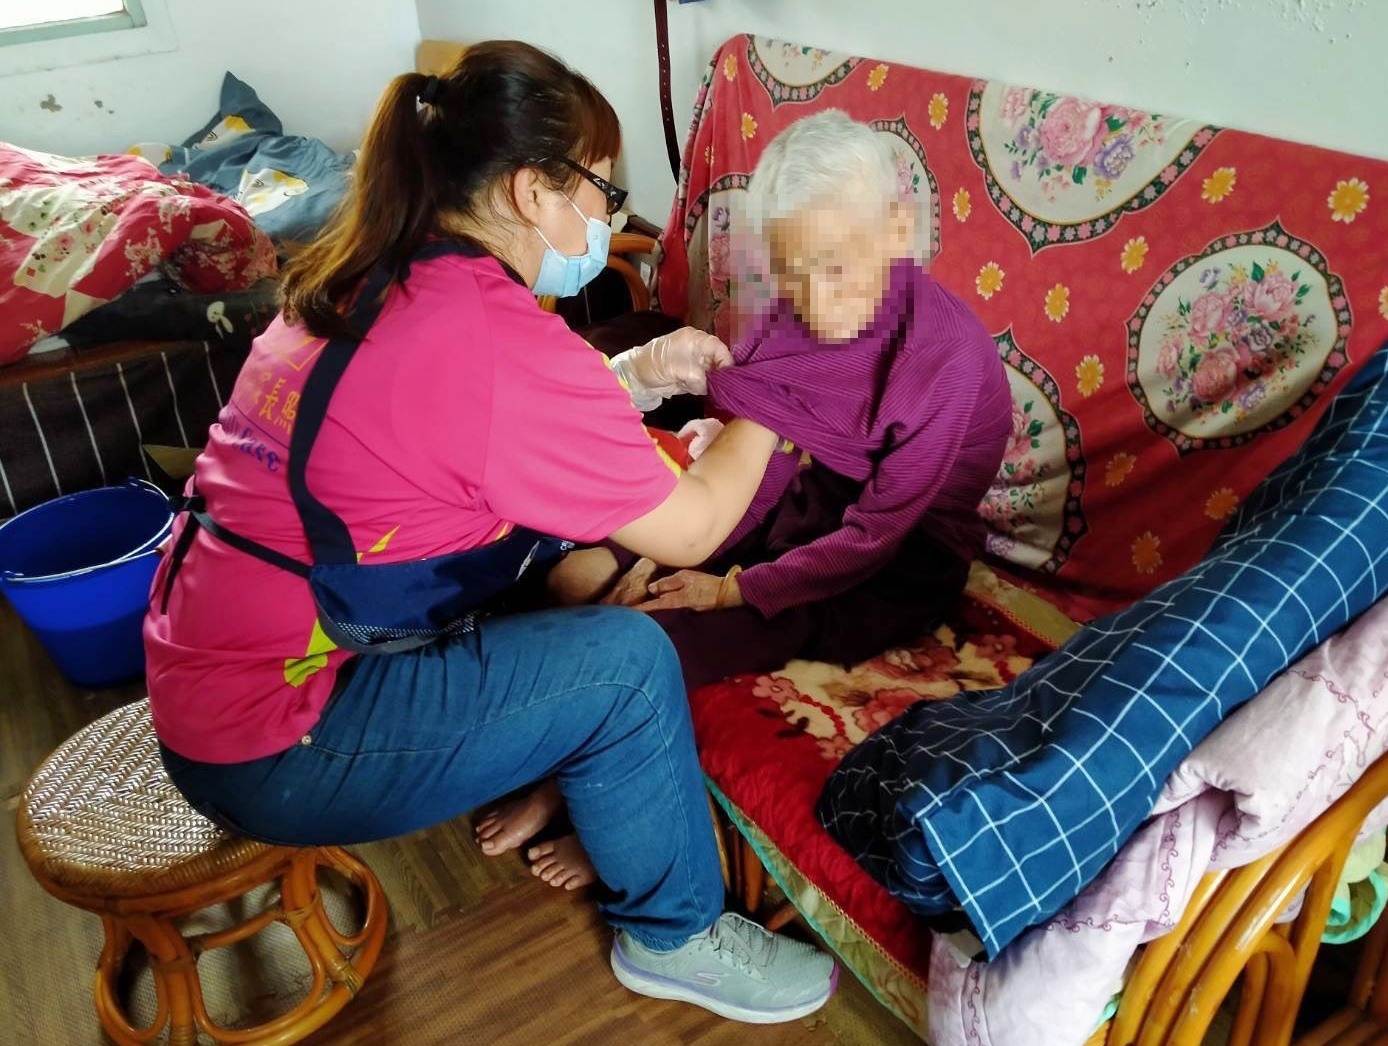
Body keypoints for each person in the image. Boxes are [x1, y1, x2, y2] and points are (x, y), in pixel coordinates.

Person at [143, 41, 836, 1025]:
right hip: (273, 741)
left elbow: (457, 426)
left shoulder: (373, 274)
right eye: (607, 191)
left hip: (209, 662)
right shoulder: (498, 345)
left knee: (557, 552)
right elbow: (693, 526)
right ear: (528, 190)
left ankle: (573, 774)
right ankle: (674, 932)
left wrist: (636, 375)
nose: (611, 219)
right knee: (629, 659)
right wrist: (776, 403)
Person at [554, 110, 1012, 686]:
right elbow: (766, 455)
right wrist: (698, 549)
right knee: (576, 578)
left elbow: (876, 534)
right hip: (818, 491)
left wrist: (733, 589)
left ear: (896, 232)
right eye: (791, 275)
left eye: (836, 269)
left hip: (905, 549)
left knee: (674, 638)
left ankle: (605, 678)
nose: (815, 302)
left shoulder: (949, 361)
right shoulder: (793, 315)